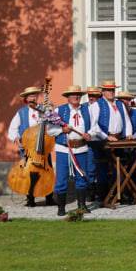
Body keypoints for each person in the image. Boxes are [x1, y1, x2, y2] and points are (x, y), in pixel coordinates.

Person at [47, 85, 98, 216]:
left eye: (78, 95)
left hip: (81, 148)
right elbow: (50, 129)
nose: (76, 97)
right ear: (68, 97)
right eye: (73, 95)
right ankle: (61, 208)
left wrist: (89, 134)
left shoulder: (87, 110)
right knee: (61, 178)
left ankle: (82, 205)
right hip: (64, 149)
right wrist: (61, 130)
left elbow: (94, 126)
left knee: (82, 176)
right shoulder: (59, 110)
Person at [8, 85, 44, 208]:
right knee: (30, 173)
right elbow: (12, 129)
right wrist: (17, 140)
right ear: (26, 99)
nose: (33, 97)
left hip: (43, 147)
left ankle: (49, 197)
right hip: (28, 148)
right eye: (30, 96)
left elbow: (52, 123)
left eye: (34, 95)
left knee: (46, 171)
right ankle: (30, 198)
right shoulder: (21, 112)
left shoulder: (43, 110)